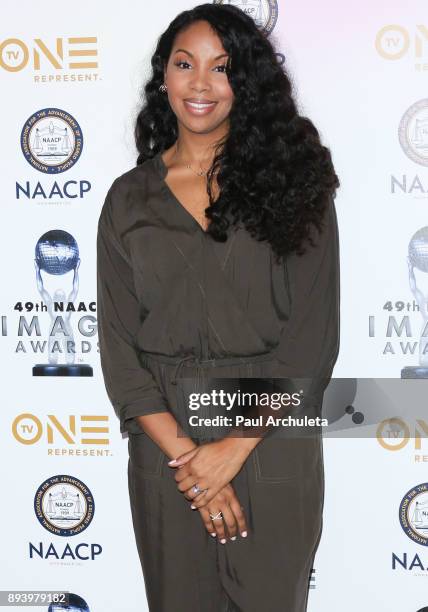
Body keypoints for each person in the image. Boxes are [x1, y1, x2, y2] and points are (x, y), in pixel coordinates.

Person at [96, 3, 340, 611]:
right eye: (185, 64)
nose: (200, 84)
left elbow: (313, 337)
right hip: (166, 448)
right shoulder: (127, 200)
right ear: (164, 78)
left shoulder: (296, 180)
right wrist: (190, 461)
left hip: (272, 436)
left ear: (247, 81)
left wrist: (233, 447)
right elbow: (120, 352)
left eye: (221, 67)